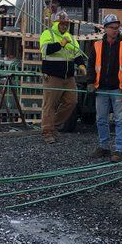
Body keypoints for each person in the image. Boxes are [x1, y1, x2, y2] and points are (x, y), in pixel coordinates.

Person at [87, 14, 122, 162]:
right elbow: (91, 66)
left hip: (118, 88)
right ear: (105, 29)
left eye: (117, 28)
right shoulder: (96, 46)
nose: (115, 30)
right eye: (112, 28)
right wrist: (90, 82)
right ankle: (104, 147)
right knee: (101, 119)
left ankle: (120, 149)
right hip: (101, 88)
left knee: (120, 120)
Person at [39, 10, 86, 144]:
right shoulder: (47, 34)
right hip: (53, 76)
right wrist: (61, 44)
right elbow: (45, 50)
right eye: (62, 24)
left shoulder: (70, 37)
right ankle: (47, 131)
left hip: (68, 77)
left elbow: (76, 53)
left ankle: (53, 125)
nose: (64, 26)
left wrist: (81, 65)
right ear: (55, 24)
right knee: (50, 105)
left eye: (66, 24)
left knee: (72, 102)